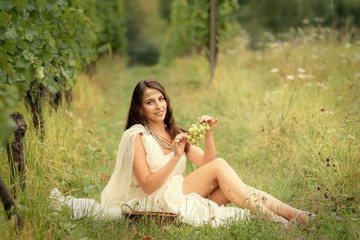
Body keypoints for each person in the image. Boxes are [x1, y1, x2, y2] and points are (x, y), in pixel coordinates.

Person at [50, 79, 313, 227]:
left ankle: (291, 214)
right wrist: (176, 157)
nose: (158, 106)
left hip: (178, 195)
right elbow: (148, 186)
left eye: (161, 99)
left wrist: (208, 132)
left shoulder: (173, 131)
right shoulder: (136, 137)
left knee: (231, 188)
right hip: (156, 202)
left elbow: (207, 163)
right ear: (140, 109)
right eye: (150, 102)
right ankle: (282, 221)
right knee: (225, 174)